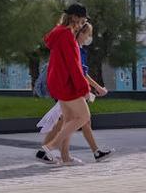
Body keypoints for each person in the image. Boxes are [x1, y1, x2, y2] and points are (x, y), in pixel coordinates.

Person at [37, 21, 113, 162]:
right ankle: (48, 148)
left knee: (69, 121)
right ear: (81, 32)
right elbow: (79, 72)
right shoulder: (74, 46)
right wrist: (92, 89)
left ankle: (63, 155)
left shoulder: (68, 42)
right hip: (70, 89)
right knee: (80, 119)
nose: (89, 37)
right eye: (88, 34)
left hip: (63, 87)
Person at [36, 4, 92, 166]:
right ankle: (49, 147)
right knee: (83, 116)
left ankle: (66, 157)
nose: (82, 24)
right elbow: (74, 66)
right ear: (74, 18)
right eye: (82, 20)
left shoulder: (58, 34)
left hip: (57, 82)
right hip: (66, 84)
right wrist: (84, 89)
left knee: (69, 119)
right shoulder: (67, 36)